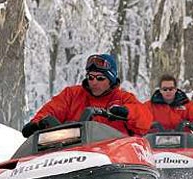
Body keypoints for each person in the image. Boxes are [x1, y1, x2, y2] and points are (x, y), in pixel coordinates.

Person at [22, 54, 153, 137]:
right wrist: (36, 124)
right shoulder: (72, 95)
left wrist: (127, 112)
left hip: (114, 153)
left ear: (111, 80)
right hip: (74, 152)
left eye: (100, 78)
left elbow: (145, 120)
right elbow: (52, 110)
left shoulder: (123, 98)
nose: (94, 82)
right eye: (90, 77)